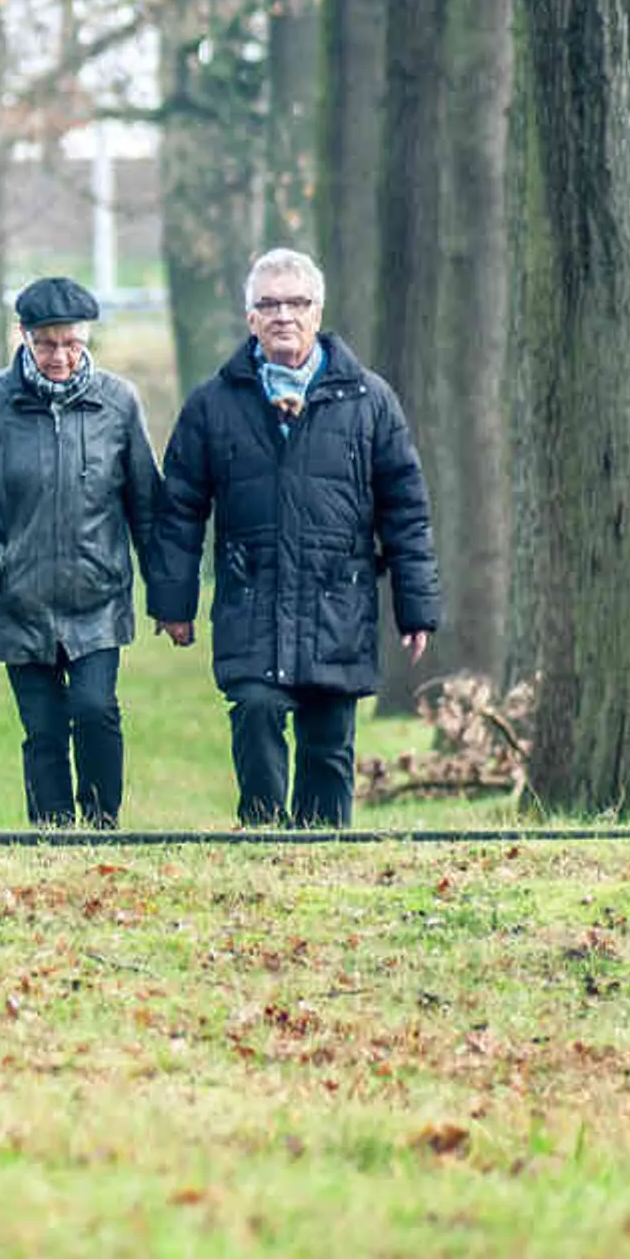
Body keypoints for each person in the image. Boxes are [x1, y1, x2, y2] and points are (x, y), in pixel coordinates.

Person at [147, 247, 437, 830]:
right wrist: (173, 604)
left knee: (328, 741)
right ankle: (261, 837)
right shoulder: (212, 404)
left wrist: (417, 607)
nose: (284, 315)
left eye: (297, 303)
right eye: (270, 304)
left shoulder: (369, 400)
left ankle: (322, 855)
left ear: (317, 312)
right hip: (251, 598)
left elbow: (405, 509)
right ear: (250, 318)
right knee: (255, 711)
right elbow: (179, 509)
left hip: (338, 601)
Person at [0, 275, 163, 829]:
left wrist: (167, 596)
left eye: (72, 344)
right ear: (23, 336)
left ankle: (102, 827)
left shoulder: (118, 404)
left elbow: (146, 505)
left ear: (86, 339)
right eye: (47, 344)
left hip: (97, 600)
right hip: (18, 601)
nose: (60, 356)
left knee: (95, 710)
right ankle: (52, 834)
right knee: (43, 730)